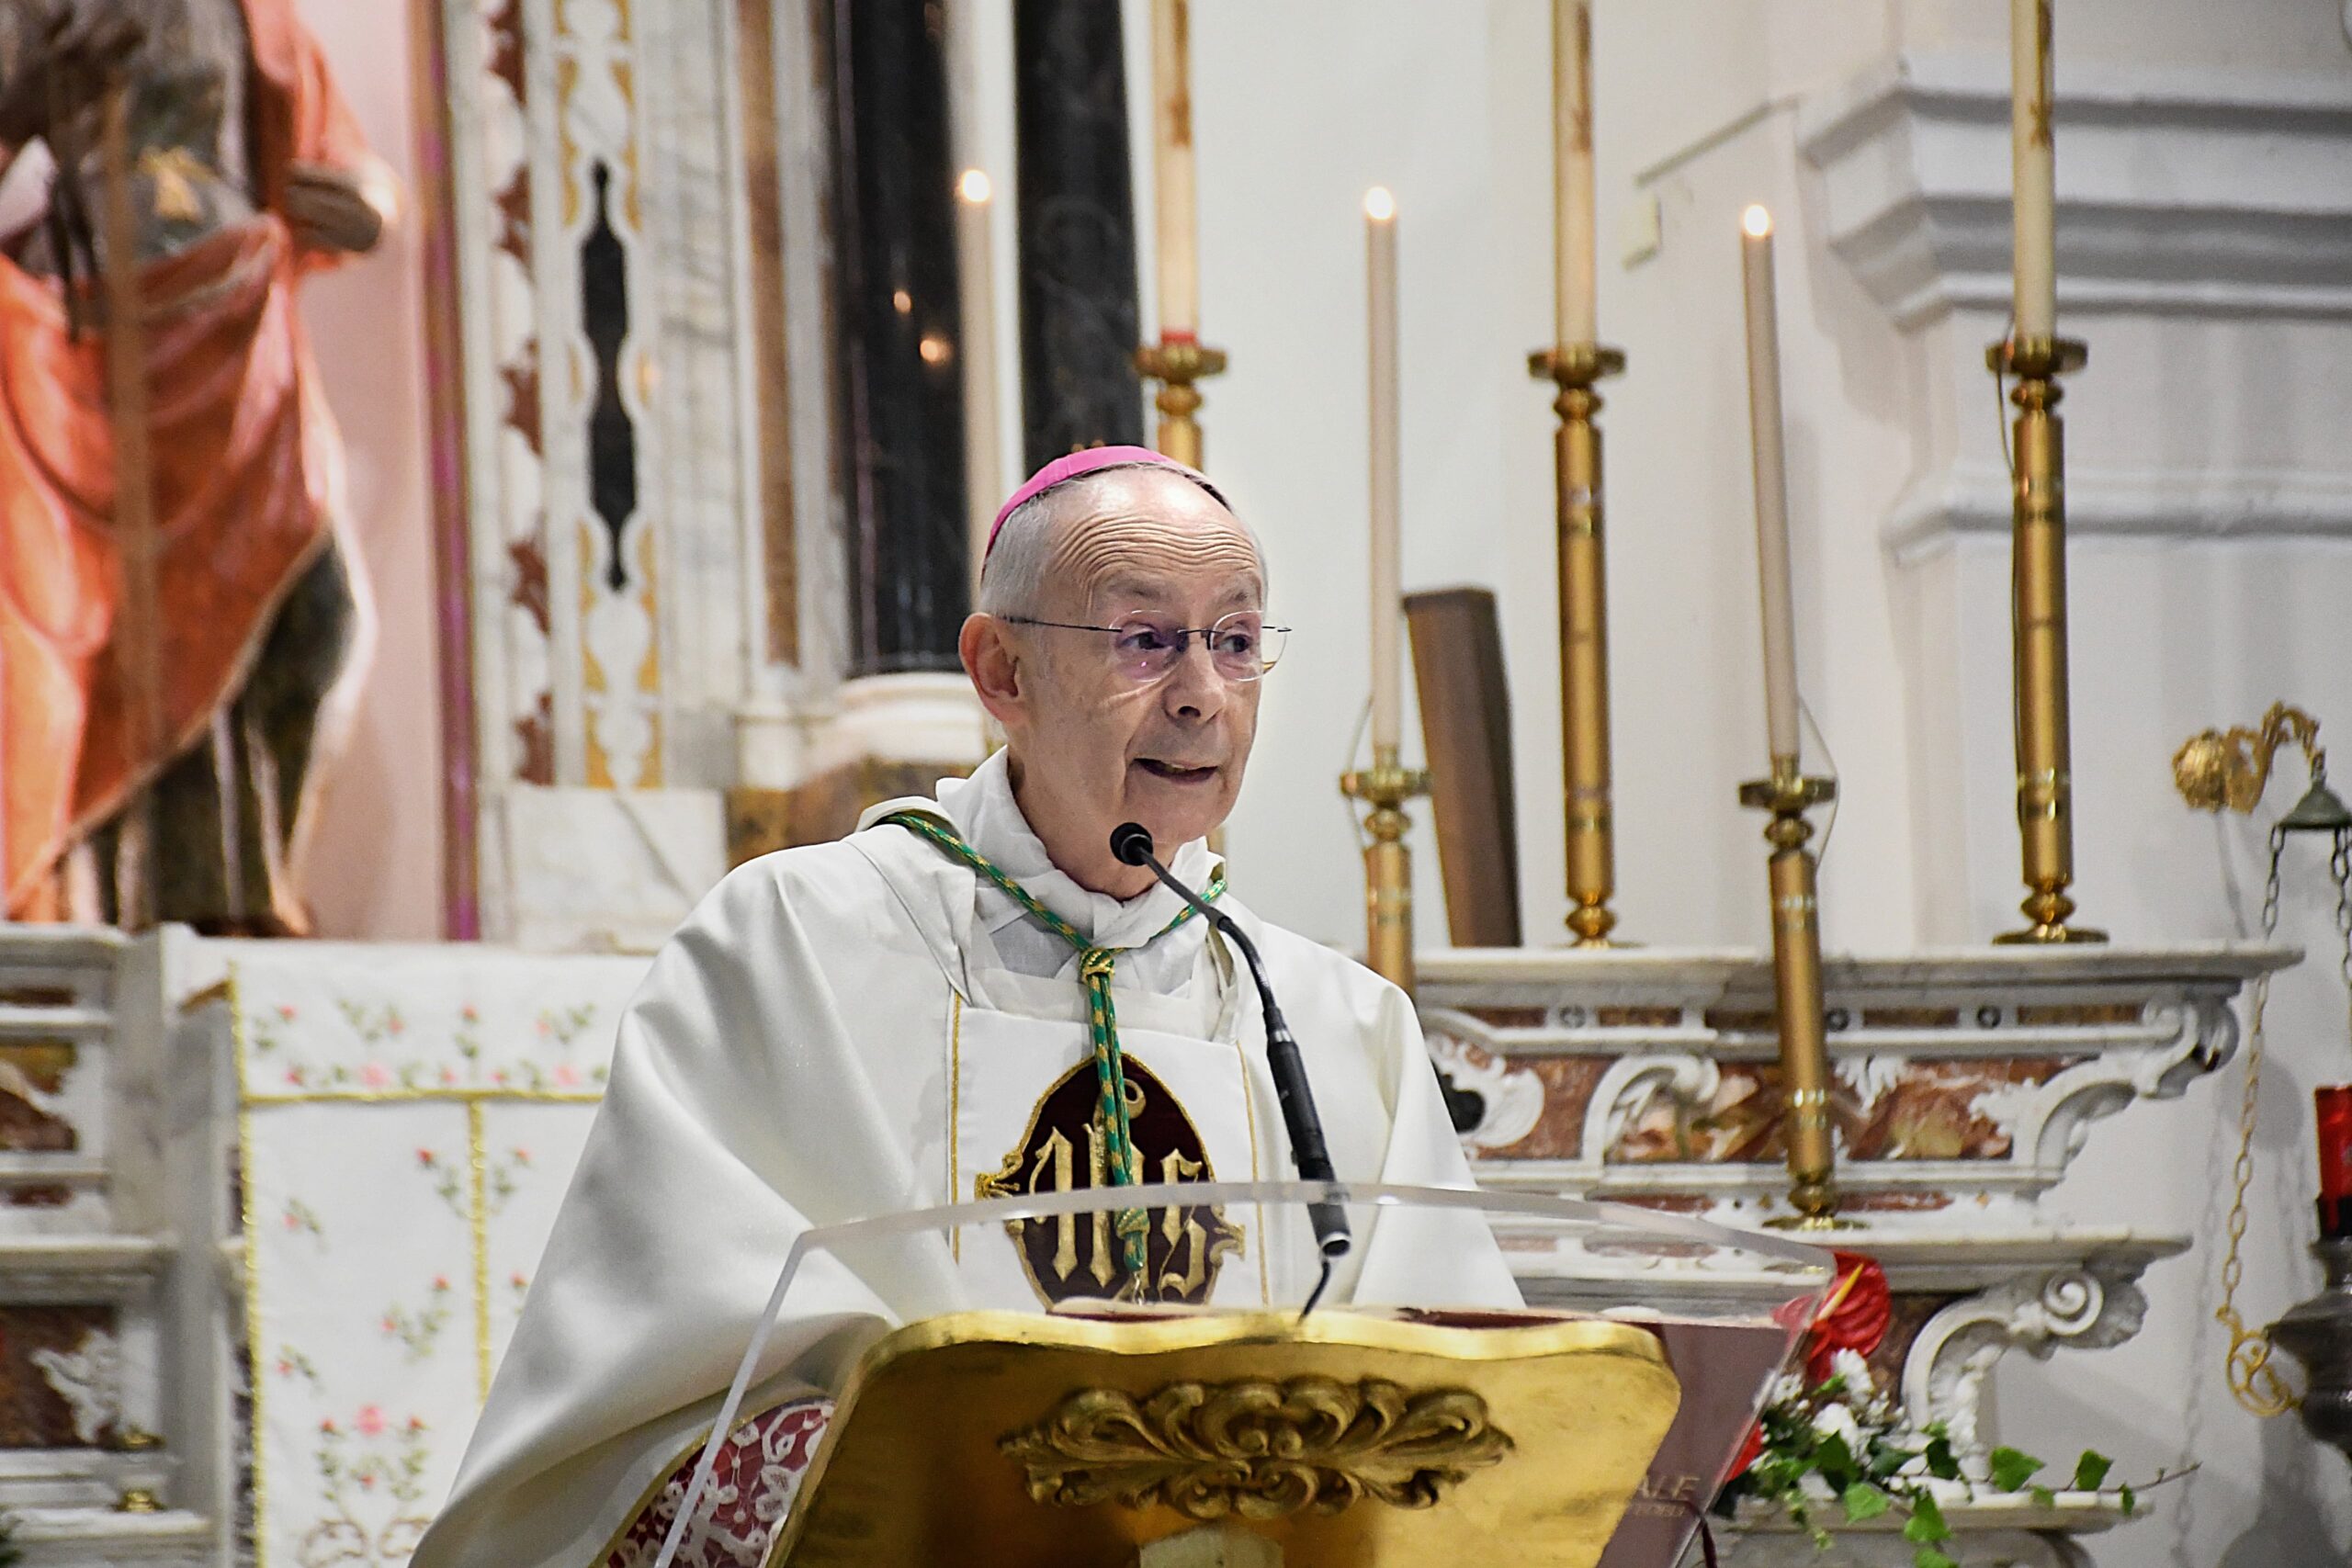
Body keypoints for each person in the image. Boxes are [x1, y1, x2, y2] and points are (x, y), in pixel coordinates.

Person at [413, 448, 1516, 1568]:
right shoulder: (796, 945)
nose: (1201, 694)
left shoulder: (1331, 1020)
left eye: (1235, 642)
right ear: (1001, 675)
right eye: (1146, 640)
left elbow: (1454, 1425)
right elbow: (657, 1409)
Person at [0, 0, 393, 928]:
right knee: (129, 644)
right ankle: (152, 921)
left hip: (242, 333)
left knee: (319, 624)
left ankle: (250, 896)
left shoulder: (258, 14)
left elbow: (339, 155)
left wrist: (368, 202)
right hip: (105, 358)